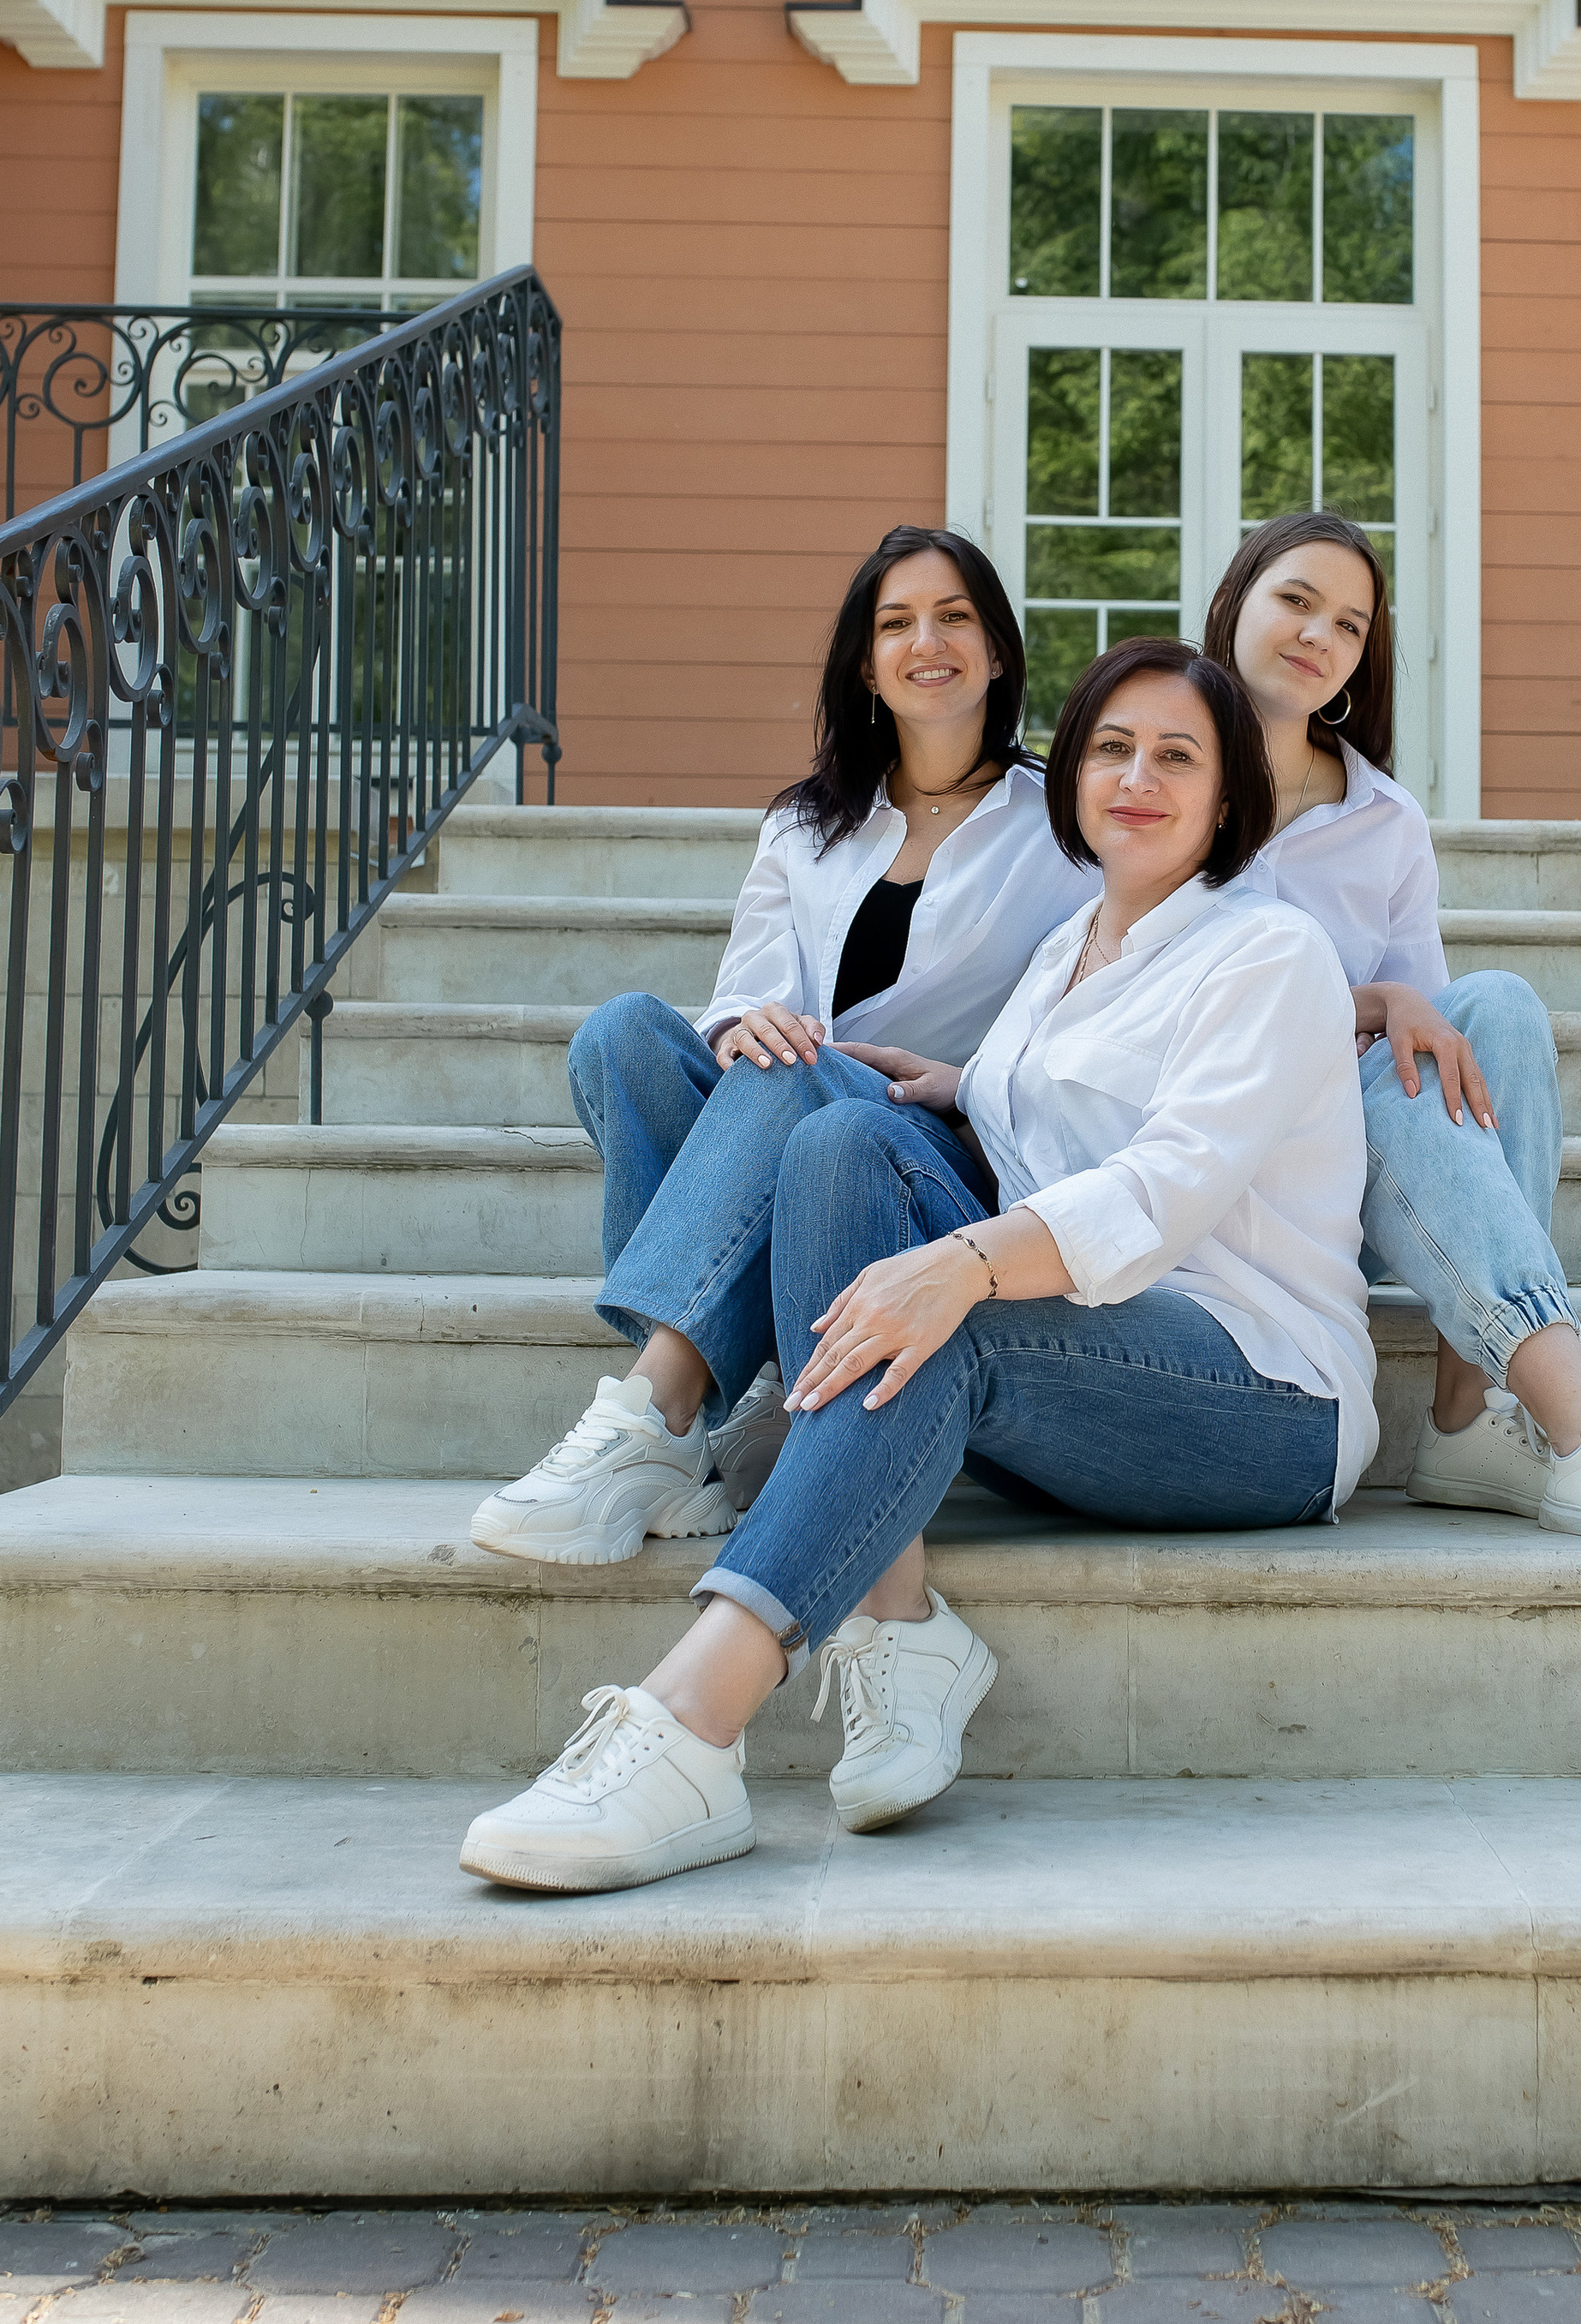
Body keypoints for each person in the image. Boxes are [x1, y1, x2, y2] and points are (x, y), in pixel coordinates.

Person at [458, 636, 1373, 1894]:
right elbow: (1021, 1124)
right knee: (840, 1136)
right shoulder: (1071, 953)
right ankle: (891, 1606)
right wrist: (937, 1086)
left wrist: (962, 1268)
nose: (1136, 778)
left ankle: (691, 1725)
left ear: (1230, 798)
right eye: (1110, 749)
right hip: (1088, 1354)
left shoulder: (1267, 952)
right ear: (1075, 781)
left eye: (1178, 756)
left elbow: (1161, 1188)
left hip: (1260, 1392)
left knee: (947, 1307)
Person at [469, 526, 1092, 1568]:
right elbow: (748, 993)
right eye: (895, 623)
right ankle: (700, 1395)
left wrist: (967, 1080)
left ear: (996, 653)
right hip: (781, 1117)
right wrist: (739, 1024)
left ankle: (657, 1418)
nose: (925, 641)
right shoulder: (807, 821)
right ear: (865, 662)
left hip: (924, 1154)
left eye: (954, 618)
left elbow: (1120, 996)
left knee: (798, 1073)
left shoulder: (1060, 823)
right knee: (624, 1031)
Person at [1202, 511, 1581, 1554]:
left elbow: (1434, 1053)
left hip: (1345, 1185)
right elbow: (1148, 990)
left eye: (1351, 625)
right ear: (1234, 602)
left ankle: (1465, 1413)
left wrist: (1384, 1017)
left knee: (1494, 1007)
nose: (1320, 635)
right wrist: (1358, 1003)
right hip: (1216, 1166)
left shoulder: (1386, 818)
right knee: (1403, 1064)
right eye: (1295, 601)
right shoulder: (1156, 776)